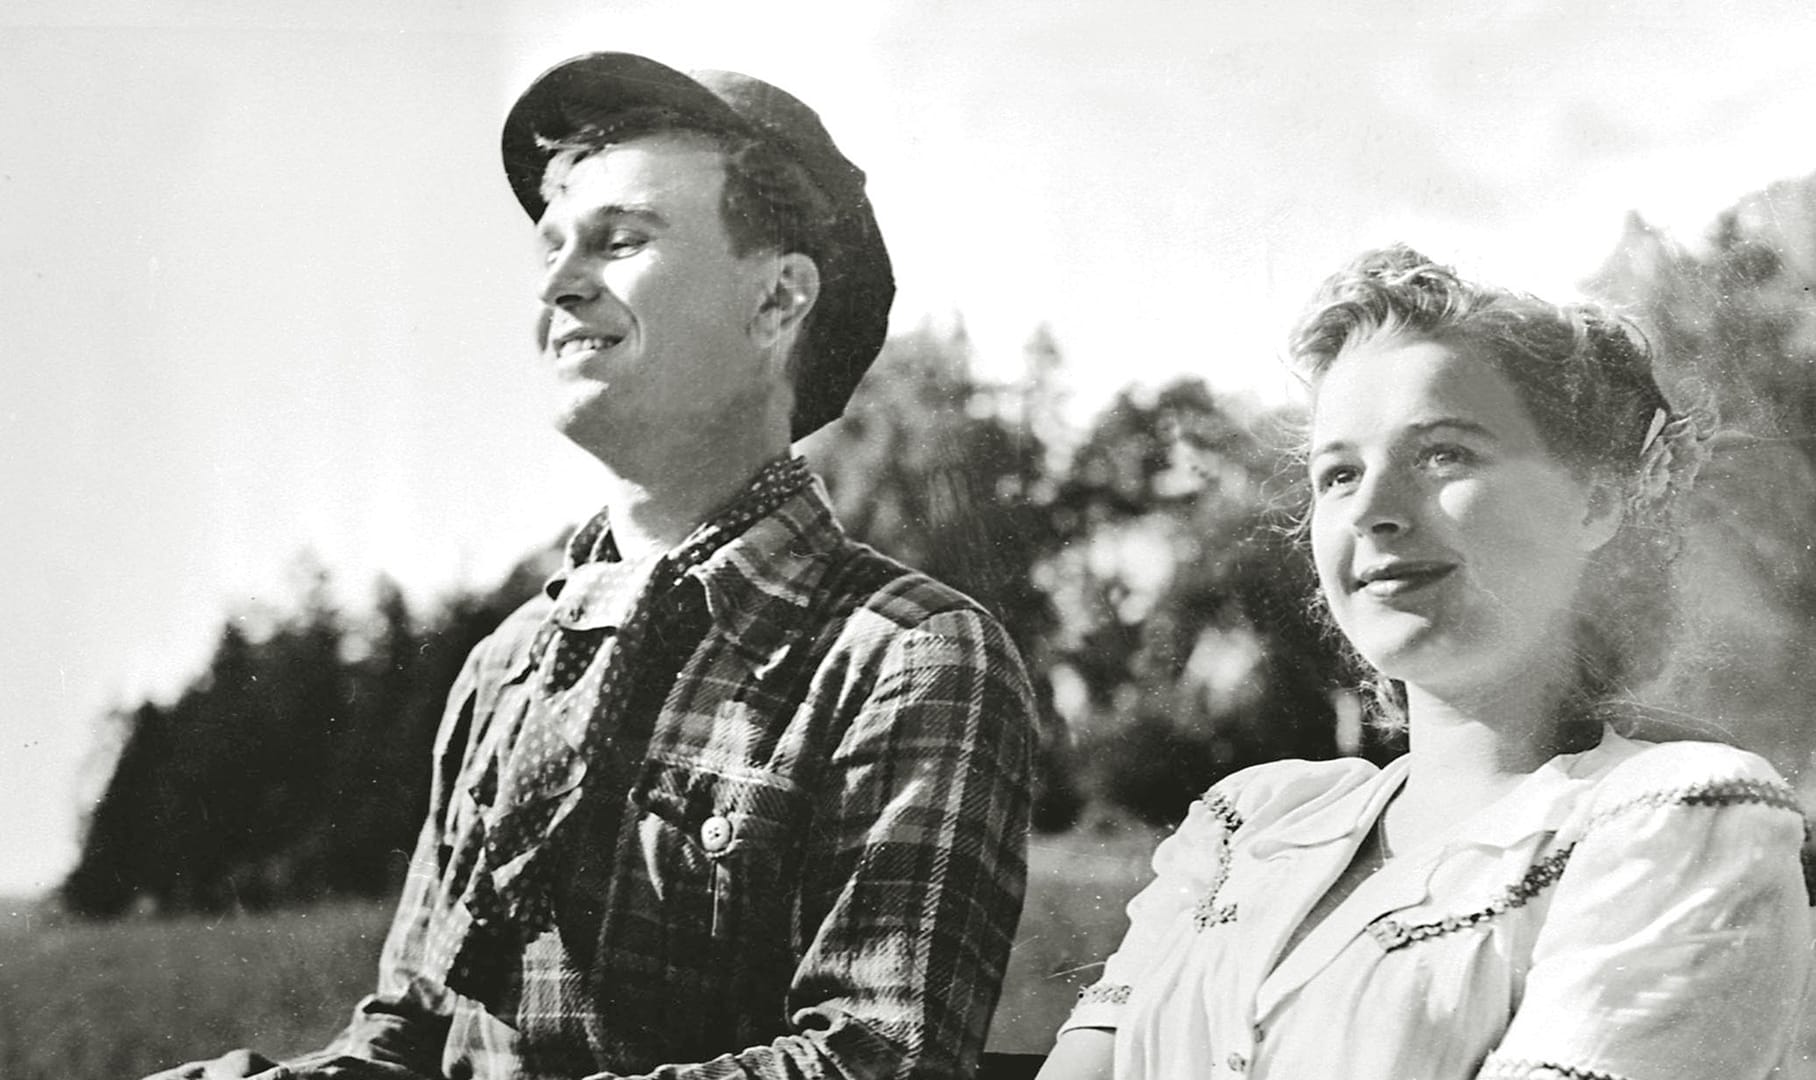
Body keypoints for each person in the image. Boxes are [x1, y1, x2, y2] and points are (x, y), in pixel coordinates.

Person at [146, 51, 1037, 1080]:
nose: (558, 283)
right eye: (552, 246)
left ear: (778, 300)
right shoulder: (508, 666)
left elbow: (876, 1060)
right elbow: (411, 1033)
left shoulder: (908, 659)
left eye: (621, 241)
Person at [1039, 245, 1812, 1080]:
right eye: (1339, 474)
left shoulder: (1677, 817)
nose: (1371, 508)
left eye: (1445, 453)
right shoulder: (1248, 823)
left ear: (1594, 502)